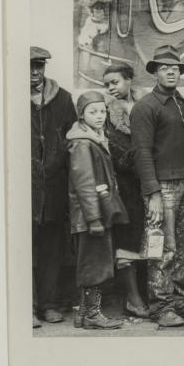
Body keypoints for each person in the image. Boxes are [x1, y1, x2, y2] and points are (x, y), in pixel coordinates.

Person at [130, 45, 184, 327]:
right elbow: (142, 153)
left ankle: (180, 299)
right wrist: (153, 194)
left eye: (175, 68)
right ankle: (160, 306)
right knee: (162, 248)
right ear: (155, 73)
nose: (171, 71)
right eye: (164, 67)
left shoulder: (182, 105)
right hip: (162, 187)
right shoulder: (145, 107)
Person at [66, 90, 128, 330]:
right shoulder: (83, 144)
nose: (100, 116)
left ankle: (83, 314)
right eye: (93, 112)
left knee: (92, 264)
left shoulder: (93, 139)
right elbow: (84, 184)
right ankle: (92, 314)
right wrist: (93, 219)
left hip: (93, 215)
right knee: (95, 265)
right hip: (91, 217)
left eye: (103, 111)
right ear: (81, 116)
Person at [30, 46, 76, 327]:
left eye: (39, 66)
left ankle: (48, 304)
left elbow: (72, 142)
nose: (34, 72)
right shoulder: (6, 96)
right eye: (29, 66)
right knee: (19, 249)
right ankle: (26, 307)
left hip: (54, 189)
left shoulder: (63, 99)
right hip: (21, 190)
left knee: (51, 249)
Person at [102, 64, 149, 318]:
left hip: (148, 184)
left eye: (115, 82)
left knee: (150, 239)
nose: (110, 88)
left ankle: (149, 293)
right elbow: (118, 155)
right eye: (107, 84)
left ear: (129, 81)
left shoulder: (145, 107)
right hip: (125, 187)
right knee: (127, 240)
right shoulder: (107, 116)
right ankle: (133, 298)